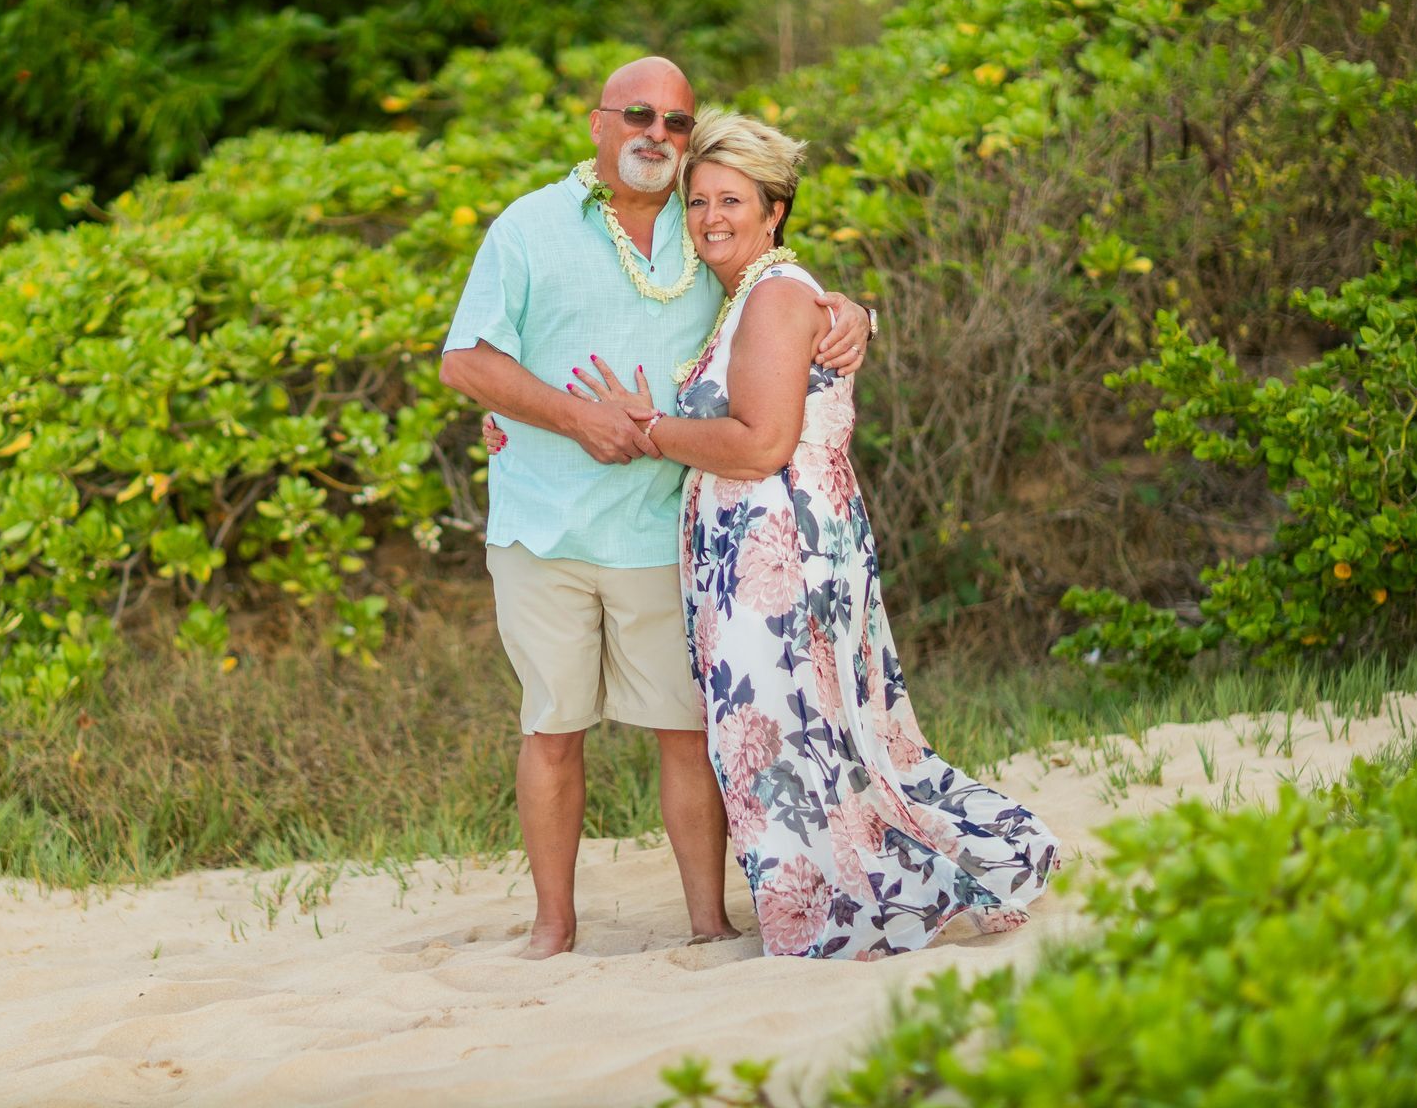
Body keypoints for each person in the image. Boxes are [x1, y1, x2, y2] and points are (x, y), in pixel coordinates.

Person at [568, 109, 1060, 958]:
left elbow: (761, 443)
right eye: (699, 202)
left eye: (732, 201)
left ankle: (843, 914)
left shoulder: (776, 296)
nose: (712, 218)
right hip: (772, 545)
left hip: (778, 552)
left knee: (790, 737)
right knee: (813, 734)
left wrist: (646, 427)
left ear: (774, 211)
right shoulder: (755, 297)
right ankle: (834, 905)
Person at [438, 58, 874, 959]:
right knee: (552, 729)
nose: (658, 136)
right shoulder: (529, 227)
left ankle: (707, 924)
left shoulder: (700, 219)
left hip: (666, 527)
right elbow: (466, 363)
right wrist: (569, 417)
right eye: (639, 115)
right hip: (544, 525)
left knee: (687, 731)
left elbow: (775, 287)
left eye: (678, 123)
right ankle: (552, 931)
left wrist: (853, 309)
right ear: (598, 123)